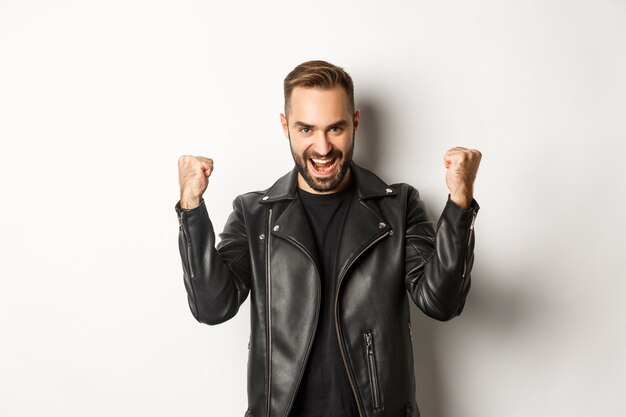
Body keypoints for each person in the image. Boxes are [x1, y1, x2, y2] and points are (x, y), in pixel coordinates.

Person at [175, 60, 481, 417]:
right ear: (285, 126)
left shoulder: (398, 206)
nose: (322, 148)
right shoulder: (254, 213)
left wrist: (460, 204)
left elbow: (441, 302)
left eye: (335, 128)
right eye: (306, 129)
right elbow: (212, 307)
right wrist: (191, 208)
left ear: (354, 123)